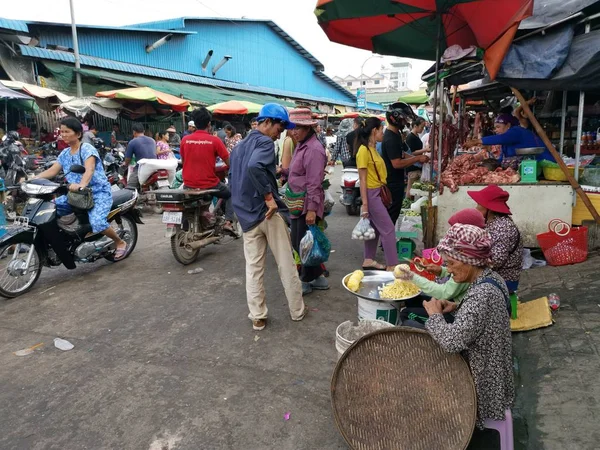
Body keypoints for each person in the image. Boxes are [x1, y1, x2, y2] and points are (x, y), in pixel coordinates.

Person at [423, 223, 514, 432]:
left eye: (452, 263)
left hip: (484, 382)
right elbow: (480, 316)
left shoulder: (483, 294)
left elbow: (452, 342)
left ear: (470, 261)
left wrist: (435, 315)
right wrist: (456, 306)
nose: (449, 269)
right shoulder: (491, 277)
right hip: (492, 368)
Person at [229, 103, 308, 331]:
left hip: (246, 215)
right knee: (286, 263)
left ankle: (258, 316)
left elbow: (235, 178)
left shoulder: (239, 146)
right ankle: (297, 311)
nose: (280, 133)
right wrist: (268, 197)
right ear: (267, 122)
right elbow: (255, 167)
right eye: (280, 127)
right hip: (267, 213)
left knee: (253, 268)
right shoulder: (264, 142)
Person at [34, 117, 128, 259]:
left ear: (78, 134)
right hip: (75, 195)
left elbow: (89, 169)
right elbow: (52, 171)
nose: (63, 134)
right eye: (62, 131)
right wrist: (32, 179)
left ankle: (119, 242)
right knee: (47, 210)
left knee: (97, 223)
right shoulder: (65, 153)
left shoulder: (87, 149)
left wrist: (82, 185)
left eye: (67, 131)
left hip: (97, 193)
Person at [397, 208, 486, 327]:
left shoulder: (479, 288)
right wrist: (440, 271)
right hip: (454, 305)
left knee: (406, 315)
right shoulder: (474, 267)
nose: (449, 269)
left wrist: (412, 277)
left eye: (451, 263)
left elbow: (444, 293)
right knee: (412, 299)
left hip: (453, 315)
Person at [284, 107, 329, 295]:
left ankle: (305, 280)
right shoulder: (302, 144)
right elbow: (298, 172)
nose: (294, 131)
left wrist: (311, 209)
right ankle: (317, 277)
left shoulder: (313, 149)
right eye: (293, 127)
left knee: (302, 243)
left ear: (308, 128)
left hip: (306, 205)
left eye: (298, 128)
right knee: (302, 241)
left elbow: (314, 183)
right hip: (297, 202)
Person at [179, 108, 235, 232]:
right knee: (231, 193)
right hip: (208, 183)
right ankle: (228, 222)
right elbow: (229, 162)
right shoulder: (215, 140)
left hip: (188, 183)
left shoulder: (184, 140)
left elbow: (184, 162)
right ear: (209, 124)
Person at [355, 117, 398, 271]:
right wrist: (365, 206)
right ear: (374, 131)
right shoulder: (363, 151)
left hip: (377, 193)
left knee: (374, 229)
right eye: (381, 130)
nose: (383, 133)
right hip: (371, 195)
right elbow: (362, 180)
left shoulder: (373, 149)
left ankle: (368, 260)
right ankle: (392, 265)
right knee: (388, 229)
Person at [468, 185, 523, 295]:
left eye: (479, 204)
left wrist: (466, 260)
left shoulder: (503, 227)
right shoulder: (491, 222)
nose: (476, 208)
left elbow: (494, 261)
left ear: (490, 209)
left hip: (504, 279)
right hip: (492, 275)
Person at [381, 103, 428, 228]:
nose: (406, 122)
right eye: (404, 119)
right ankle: (387, 245)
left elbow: (401, 154)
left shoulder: (395, 135)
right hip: (392, 183)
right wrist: (417, 158)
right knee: (391, 216)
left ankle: (387, 242)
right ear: (395, 118)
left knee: (393, 215)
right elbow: (396, 163)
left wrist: (417, 159)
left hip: (396, 182)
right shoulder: (390, 137)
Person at [464, 113, 554, 162]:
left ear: (508, 125)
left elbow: (501, 138)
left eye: (498, 127)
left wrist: (476, 141)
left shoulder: (516, 131)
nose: (496, 130)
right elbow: (502, 158)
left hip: (544, 163)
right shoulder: (506, 143)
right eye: (495, 128)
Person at [124, 123, 157, 189]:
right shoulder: (152, 140)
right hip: (155, 167)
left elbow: (128, 159)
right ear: (144, 131)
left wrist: (125, 164)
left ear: (134, 132)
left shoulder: (132, 142)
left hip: (142, 167)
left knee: (130, 187)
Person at [405, 117, 429, 198]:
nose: (423, 129)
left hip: (417, 165)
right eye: (421, 127)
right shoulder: (410, 137)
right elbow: (412, 152)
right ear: (415, 126)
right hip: (412, 167)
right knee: (410, 189)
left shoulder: (416, 136)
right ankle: (408, 205)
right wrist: (425, 149)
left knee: (415, 189)